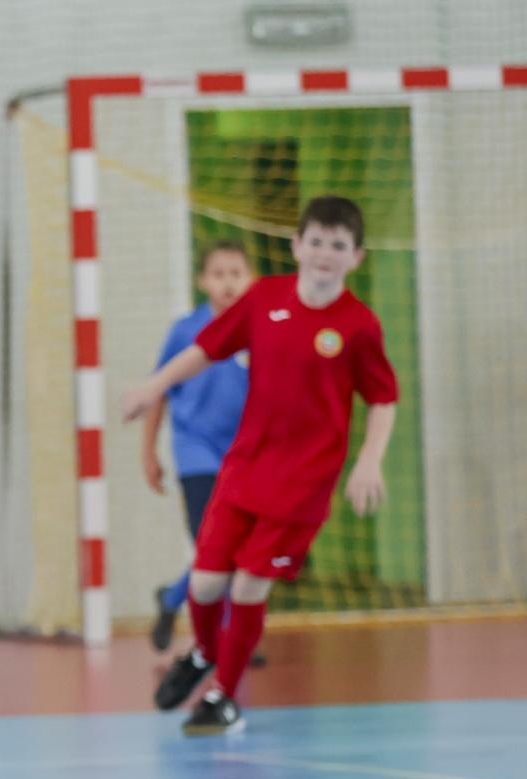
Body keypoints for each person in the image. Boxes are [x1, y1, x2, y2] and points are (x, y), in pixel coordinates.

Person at [122, 196, 397, 736]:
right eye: (315, 241)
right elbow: (206, 349)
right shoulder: (264, 300)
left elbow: (383, 398)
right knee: (204, 584)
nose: (324, 253)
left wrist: (370, 459)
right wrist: (154, 386)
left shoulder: (358, 326)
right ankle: (204, 654)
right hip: (243, 470)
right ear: (296, 246)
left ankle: (224, 696)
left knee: (248, 588)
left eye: (337, 246)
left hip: (302, 485)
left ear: (355, 257)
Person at [141, 241, 253, 652]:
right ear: (203, 281)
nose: (228, 283)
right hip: (196, 455)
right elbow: (159, 391)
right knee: (215, 547)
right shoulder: (186, 331)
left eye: (236, 273)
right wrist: (148, 453)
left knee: (244, 551)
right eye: (219, 274)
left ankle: (172, 598)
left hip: (244, 457)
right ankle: (229, 637)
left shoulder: (260, 330)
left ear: (250, 280)